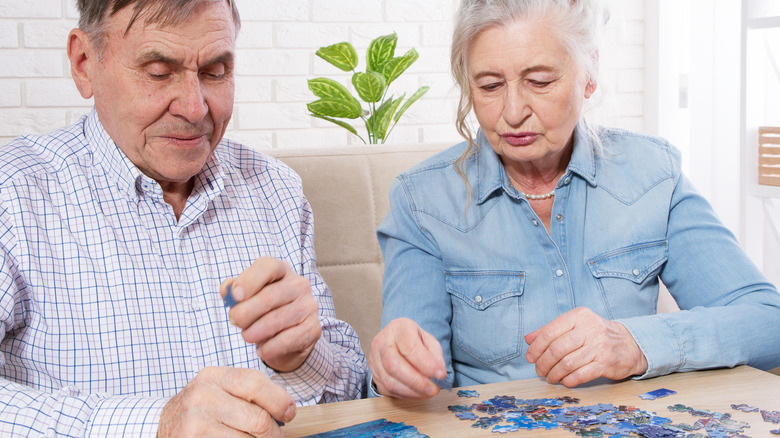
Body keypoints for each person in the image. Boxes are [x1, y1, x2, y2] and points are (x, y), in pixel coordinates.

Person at [368, 0, 780, 400]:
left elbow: (768, 321)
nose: (512, 112)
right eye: (490, 86)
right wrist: (398, 370)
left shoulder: (654, 174)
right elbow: (420, 387)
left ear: (589, 74)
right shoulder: (421, 201)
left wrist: (633, 343)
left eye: (540, 81)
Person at [0, 0, 366, 436]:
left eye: (215, 71)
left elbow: (352, 392)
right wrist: (153, 425)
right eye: (158, 71)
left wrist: (302, 360)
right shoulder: (15, 196)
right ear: (84, 64)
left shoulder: (276, 190)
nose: (195, 109)